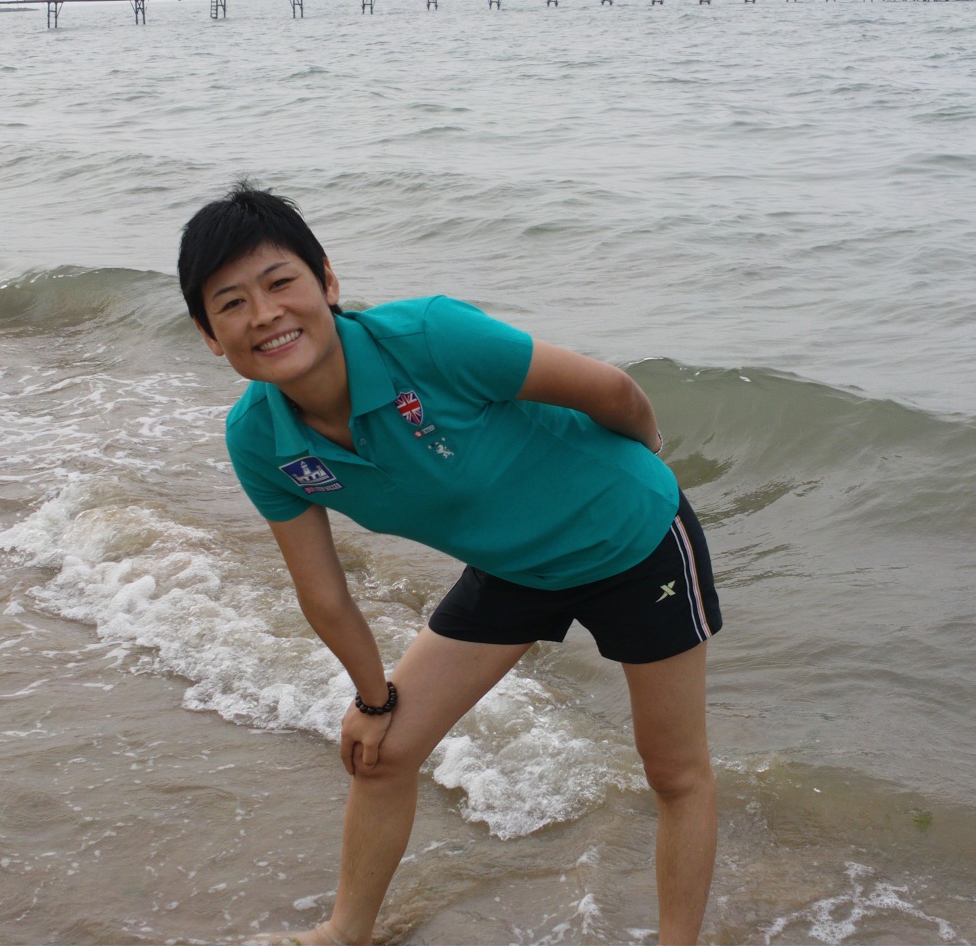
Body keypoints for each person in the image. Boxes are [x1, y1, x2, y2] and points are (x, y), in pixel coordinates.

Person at [177, 182, 722, 945]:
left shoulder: (430, 338)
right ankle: (344, 933)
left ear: (326, 281)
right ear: (209, 334)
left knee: (672, 771)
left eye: (279, 283)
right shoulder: (260, 440)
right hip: (512, 567)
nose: (263, 314)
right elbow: (324, 594)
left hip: (629, 540)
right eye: (231, 303)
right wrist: (372, 701)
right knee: (383, 753)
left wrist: (647, 470)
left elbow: (613, 391)